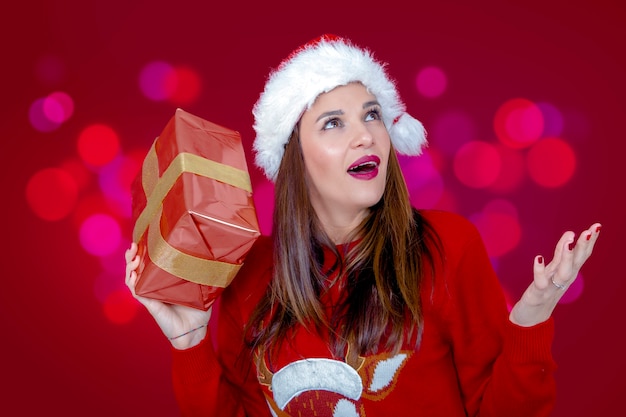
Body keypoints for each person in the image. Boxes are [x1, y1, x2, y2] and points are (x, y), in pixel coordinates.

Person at [125, 34, 602, 417]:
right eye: (333, 123)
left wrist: (531, 319)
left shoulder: (448, 247)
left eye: (372, 115)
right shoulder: (246, 274)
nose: (364, 135)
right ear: (295, 157)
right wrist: (189, 343)